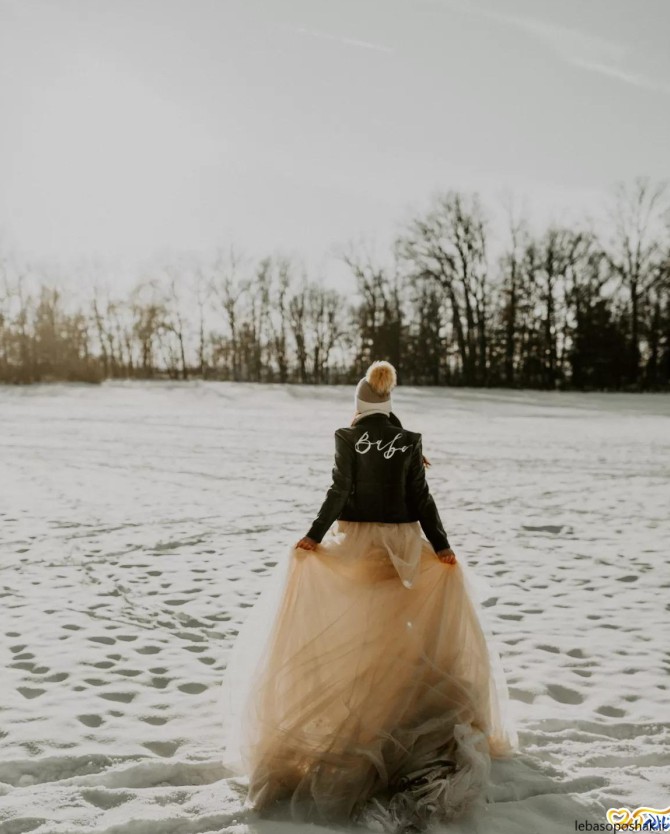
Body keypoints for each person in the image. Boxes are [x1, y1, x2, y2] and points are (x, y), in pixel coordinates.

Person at [219, 361, 518, 834]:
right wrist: (442, 548)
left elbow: (341, 490)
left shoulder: (347, 436)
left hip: (359, 546)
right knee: (398, 634)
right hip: (401, 548)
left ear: (360, 405)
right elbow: (422, 500)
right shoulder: (408, 440)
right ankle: (400, 708)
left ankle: (363, 716)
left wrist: (314, 536)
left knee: (358, 630)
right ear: (388, 403)